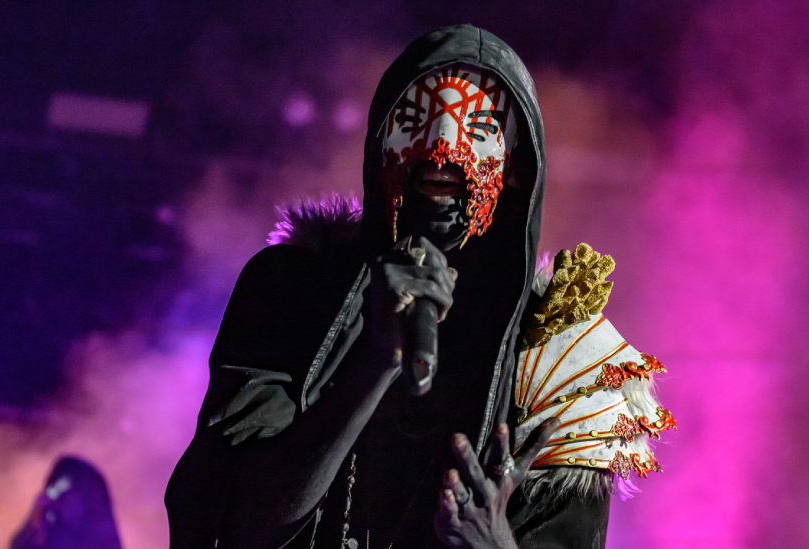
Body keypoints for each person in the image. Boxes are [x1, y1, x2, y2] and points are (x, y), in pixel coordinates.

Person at [166, 24, 674, 549]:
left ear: (518, 168)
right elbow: (223, 523)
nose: (443, 151)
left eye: (477, 126)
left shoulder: (562, 365)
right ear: (378, 142)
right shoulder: (290, 292)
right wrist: (375, 361)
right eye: (414, 120)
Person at [10, 456, 123, 549]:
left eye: (67, 497)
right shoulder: (51, 525)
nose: (56, 503)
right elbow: (19, 545)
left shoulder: (99, 535)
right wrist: (35, 517)